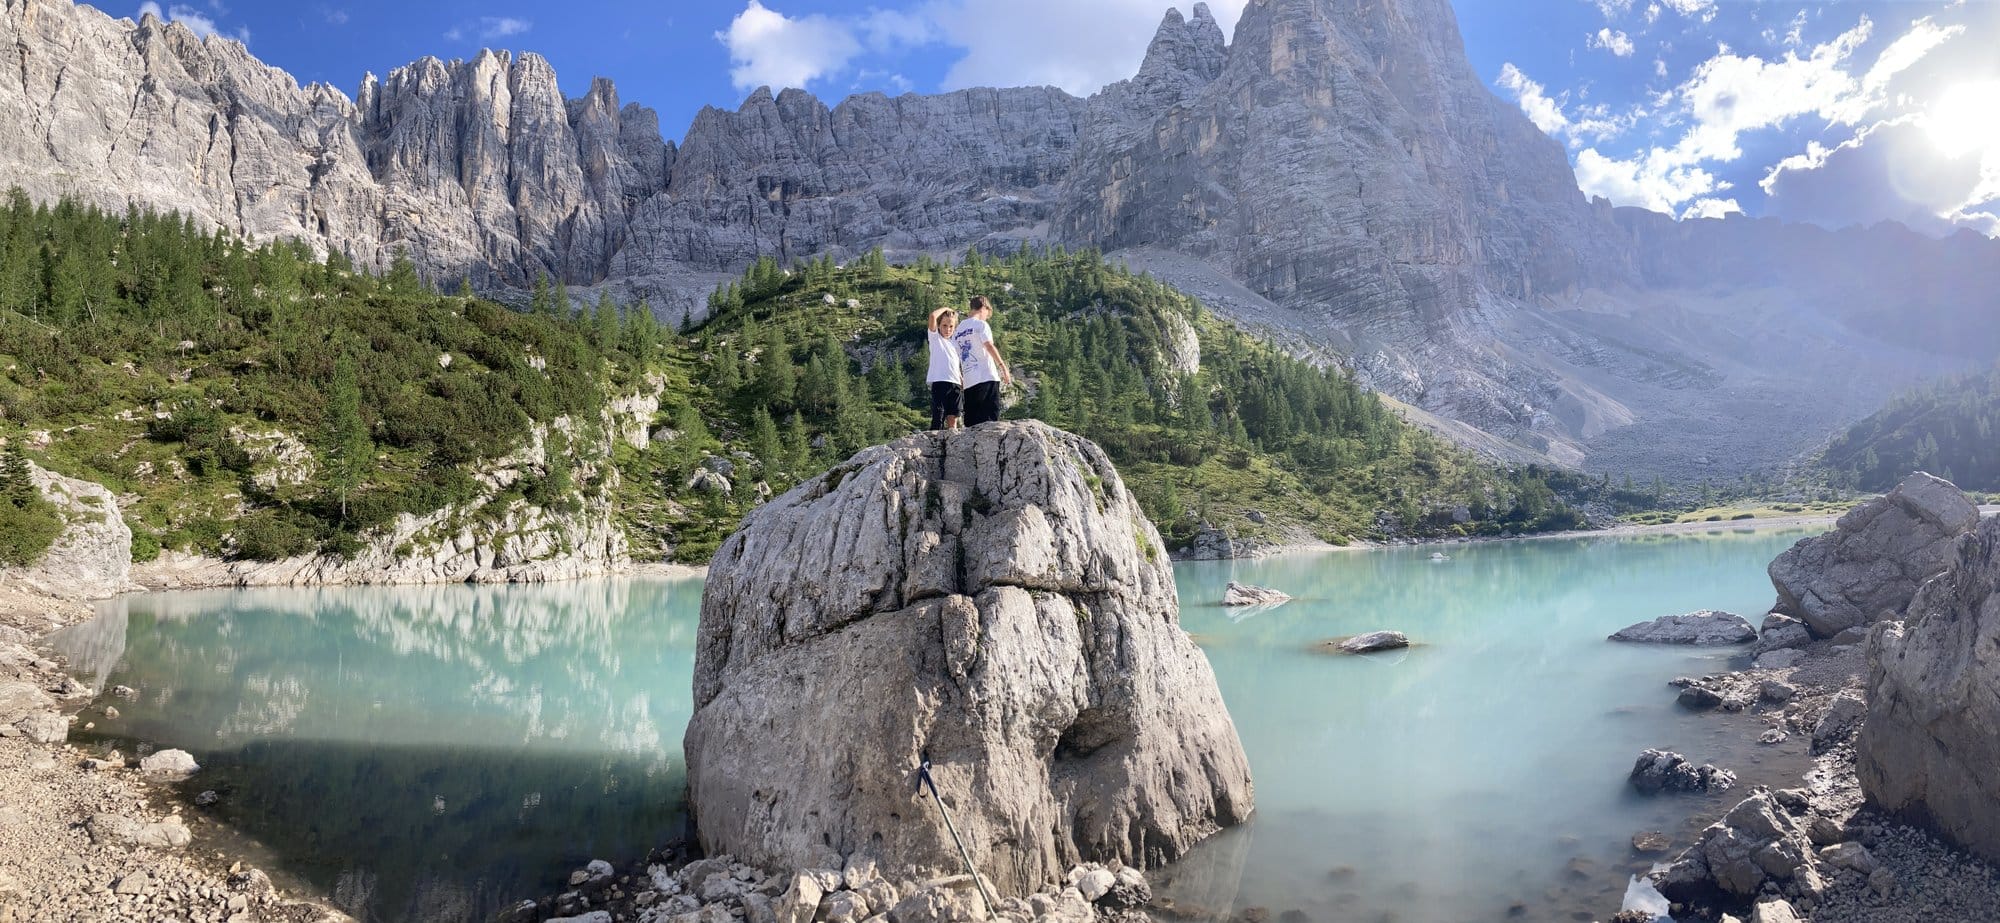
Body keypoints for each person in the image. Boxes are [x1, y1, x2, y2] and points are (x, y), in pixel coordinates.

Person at [951, 295, 1011, 426]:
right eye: (987, 314)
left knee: (972, 422)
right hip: (986, 376)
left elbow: (953, 356)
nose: (986, 318)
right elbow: (988, 345)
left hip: (969, 381)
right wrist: (1002, 366)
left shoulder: (957, 330)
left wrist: (958, 375)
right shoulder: (981, 325)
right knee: (990, 420)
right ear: (983, 308)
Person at [926, 307, 962, 431]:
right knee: (939, 414)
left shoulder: (954, 344)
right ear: (939, 325)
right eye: (944, 325)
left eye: (951, 326)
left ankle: (952, 442)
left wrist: (961, 380)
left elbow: (955, 364)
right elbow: (932, 316)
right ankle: (935, 442)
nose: (948, 329)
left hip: (955, 383)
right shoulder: (935, 339)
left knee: (954, 415)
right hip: (940, 380)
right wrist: (946, 308)